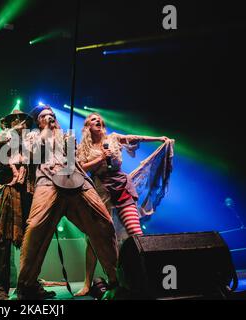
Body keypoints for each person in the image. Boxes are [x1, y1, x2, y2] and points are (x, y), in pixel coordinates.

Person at [16, 105, 119, 300]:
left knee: (103, 223)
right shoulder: (33, 137)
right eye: (46, 116)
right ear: (39, 121)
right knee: (36, 227)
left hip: (76, 181)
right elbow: (32, 155)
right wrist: (46, 131)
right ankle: (25, 287)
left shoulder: (66, 136)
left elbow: (75, 161)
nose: (51, 118)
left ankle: (115, 282)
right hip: (47, 182)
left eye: (52, 116)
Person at [75, 112, 174, 297]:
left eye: (99, 120)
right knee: (95, 239)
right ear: (87, 126)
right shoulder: (83, 148)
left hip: (121, 187)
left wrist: (159, 138)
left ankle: (146, 275)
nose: (98, 121)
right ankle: (88, 282)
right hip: (100, 191)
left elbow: (133, 138)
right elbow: (80, 169)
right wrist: (100, 158)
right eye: (93, 120)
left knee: (136, 233)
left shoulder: (112, 138)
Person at [0, 110, 36, 300]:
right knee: (2, 241)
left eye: (22, 119)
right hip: (9, 191)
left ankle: (29, 285)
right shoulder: (3, 139)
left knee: (31, 241)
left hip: (30, 192)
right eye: (14, 119)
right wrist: (6, 137)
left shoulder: (33, 140)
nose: (18, 121)